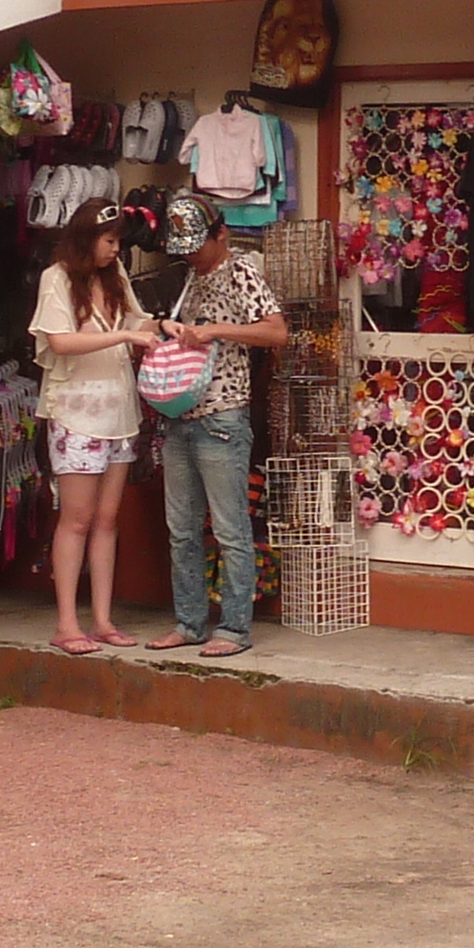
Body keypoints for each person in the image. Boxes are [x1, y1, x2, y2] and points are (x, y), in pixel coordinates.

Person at [146, 190, 286, 657]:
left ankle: (233, 628)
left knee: (230, 528)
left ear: (220, 234)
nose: (190, 254)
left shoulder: (242, 270)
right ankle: (189, 623)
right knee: (181, 528)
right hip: (180, 412)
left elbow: (276, 331)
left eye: (196, 245)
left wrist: (215, 331)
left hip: (223, 413)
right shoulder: (188, 278)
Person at [30, 200, 155, 655]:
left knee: (107, 520)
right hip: (76, 413)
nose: (115, 249)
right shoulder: (56, 278)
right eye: (109, 240)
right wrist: (126, 336)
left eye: (119, 241)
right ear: (87, 239)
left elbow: (137, 319)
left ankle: (102, 619)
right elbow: (60, 341)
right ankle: (67, 622)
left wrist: (163, 327)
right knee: (77, 519)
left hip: (120, 412)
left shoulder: (115, 276)